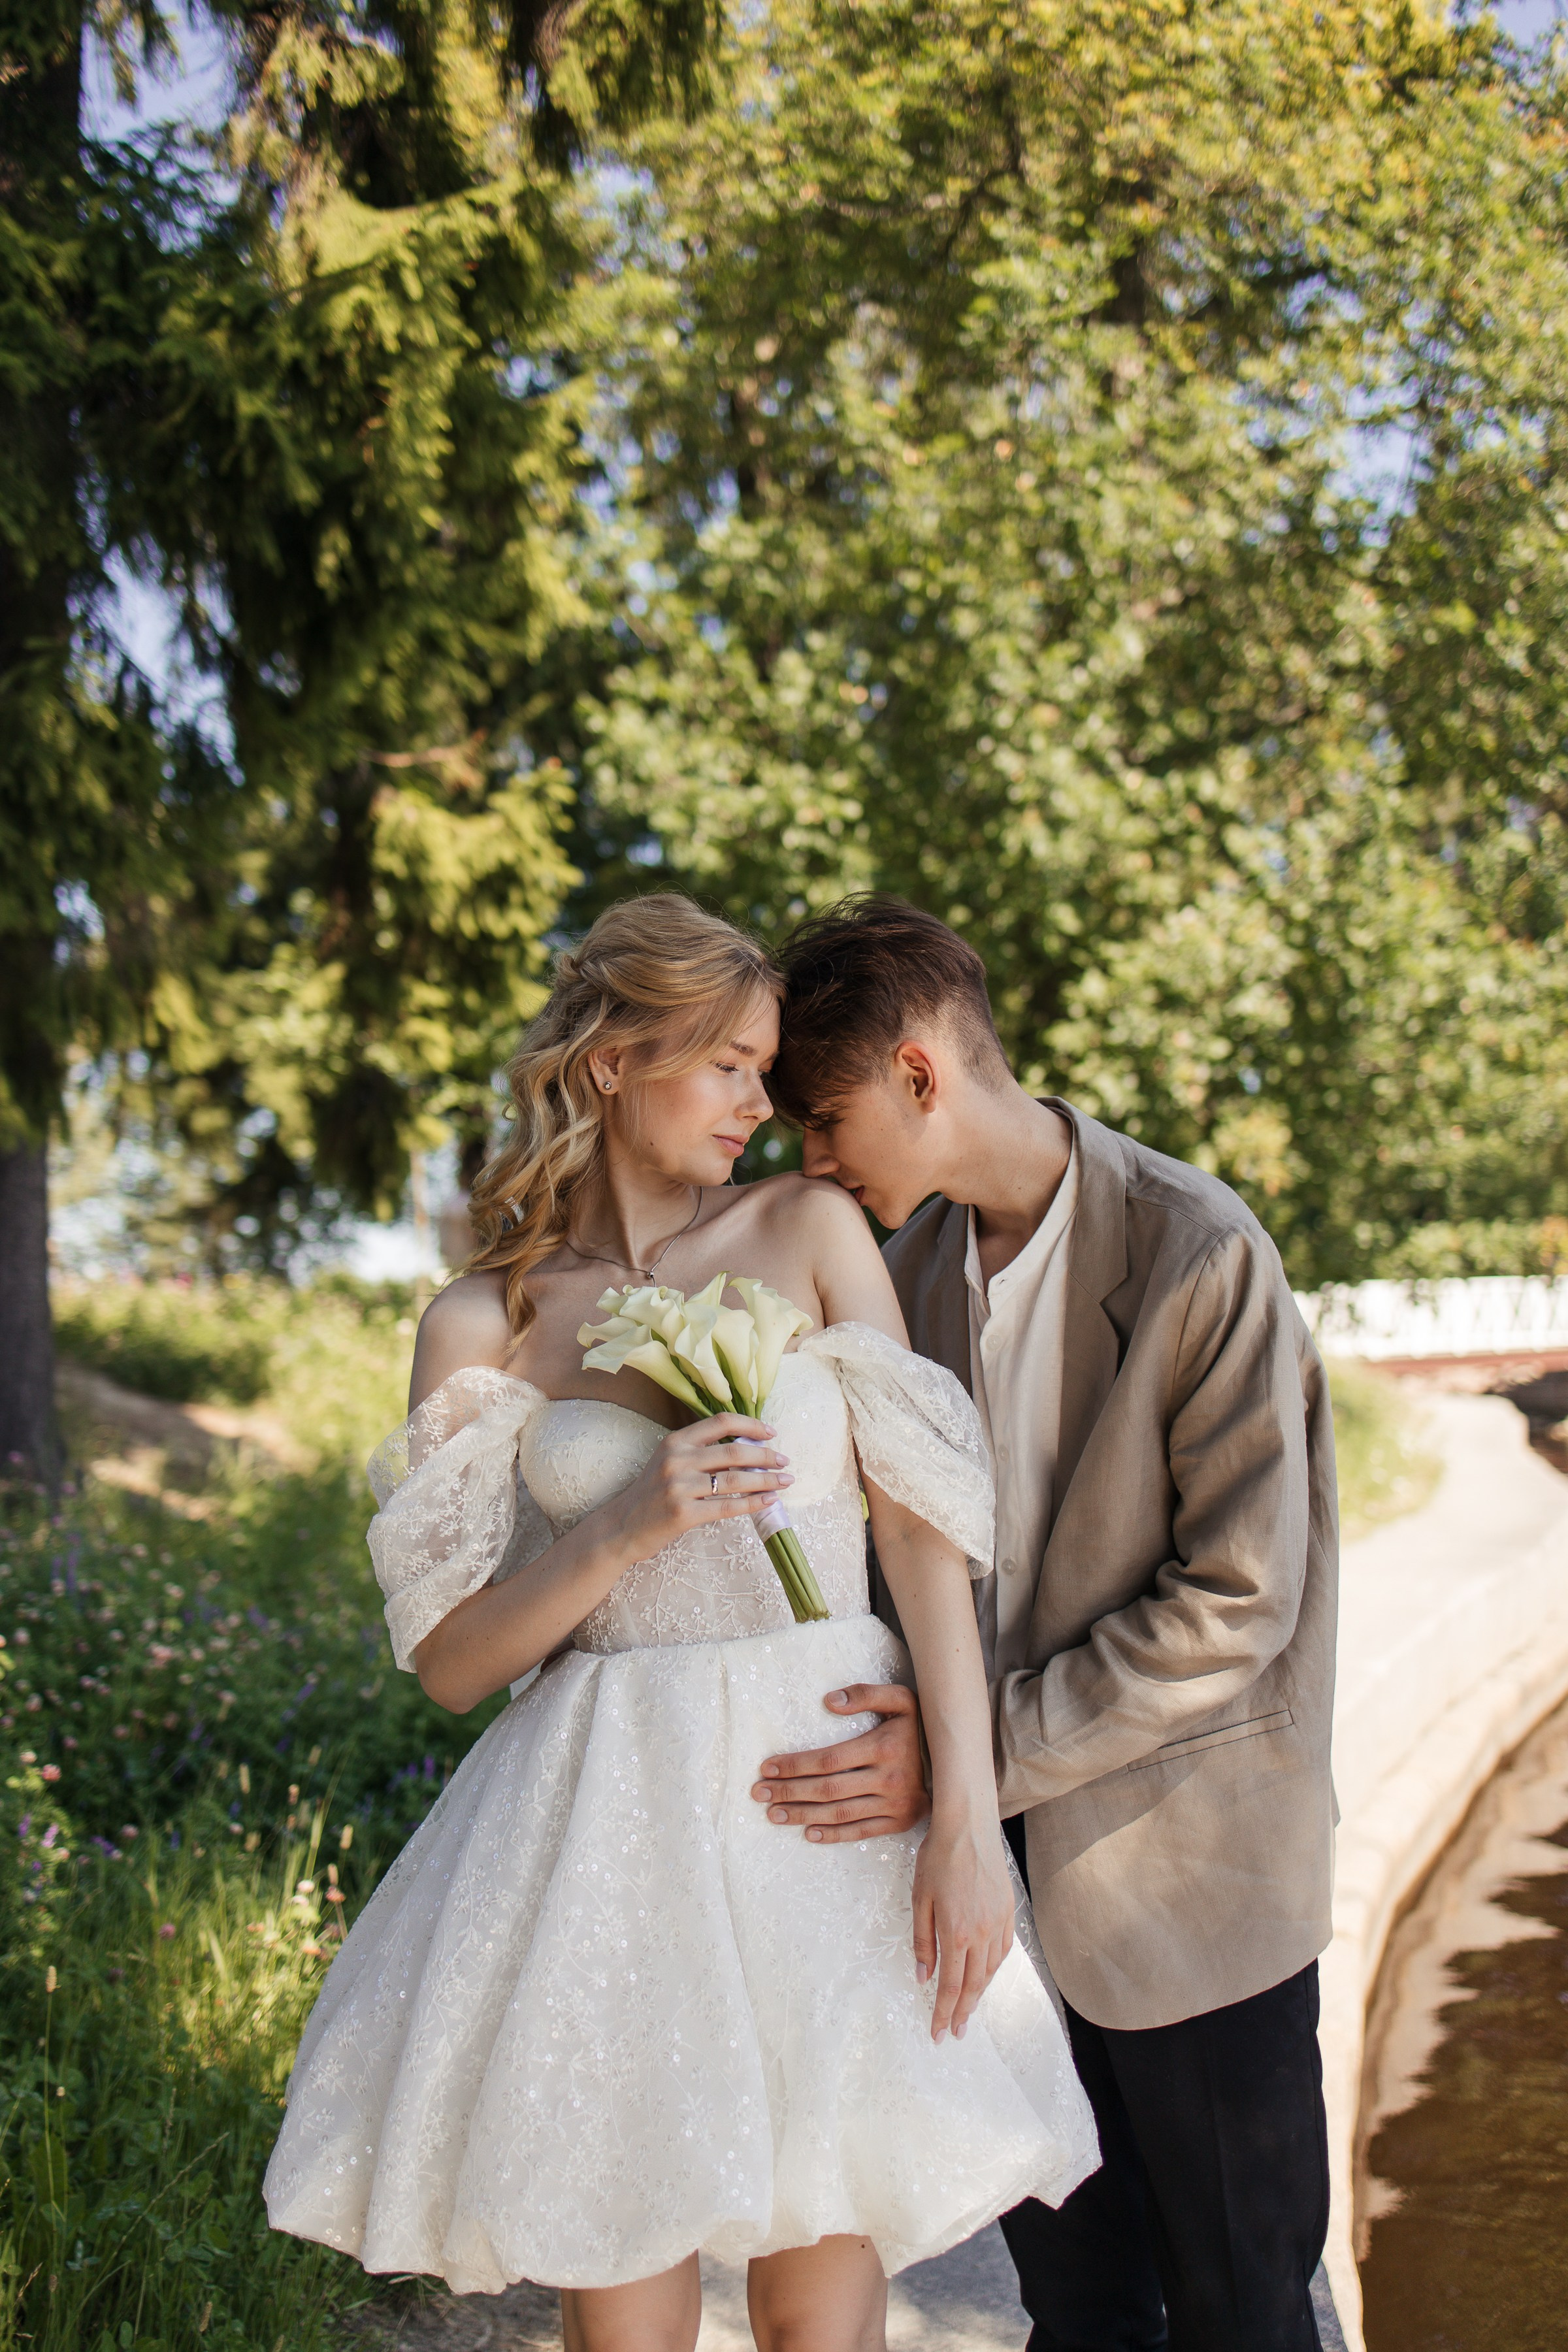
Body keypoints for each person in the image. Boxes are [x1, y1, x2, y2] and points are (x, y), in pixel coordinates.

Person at [264, 896, 1098, 2352]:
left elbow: (921, 1542)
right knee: (624, 2292)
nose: (757, 1104)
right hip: (614, 1829)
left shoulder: (810, 1226)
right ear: (610, 1063)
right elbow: (457, 1664)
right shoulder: (486, 1319)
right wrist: (626, 1522)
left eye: (765, 1069)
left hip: (827, 1810)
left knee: (817, 2308)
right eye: (725, 1065)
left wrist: (965, 1818)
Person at [755, 896, 1339, 2352]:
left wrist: (970, 1762)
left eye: (824, 1121)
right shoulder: (892, 1282)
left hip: (1192, 1891)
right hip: (992, 1909)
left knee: (1245, 2313)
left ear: (919, 1073)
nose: (813, 1164)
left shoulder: (1202, 1253)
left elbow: (1238, 1601)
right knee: (1077, 2314)